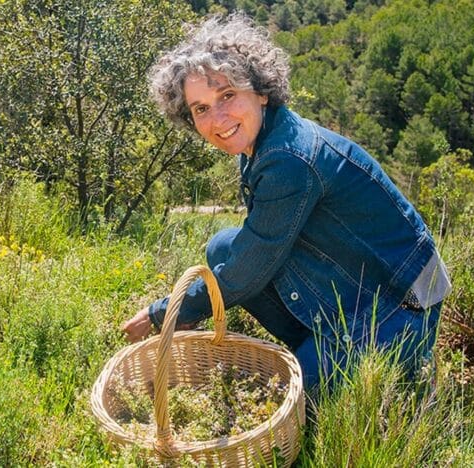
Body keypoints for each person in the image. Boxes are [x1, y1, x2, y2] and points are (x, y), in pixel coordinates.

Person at [120, 14, 451, 399]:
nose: (218, 118)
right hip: (360, 278)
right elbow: (253, 252)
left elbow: (247, 272)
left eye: (227, 95)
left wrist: (167, 313)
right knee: (223, 249)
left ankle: (376, 362)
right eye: (201, 108)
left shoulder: (288, 159)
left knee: (300, 396)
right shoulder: (261, 138)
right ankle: (320, 348)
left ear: (261, 91)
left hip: (404, 303)